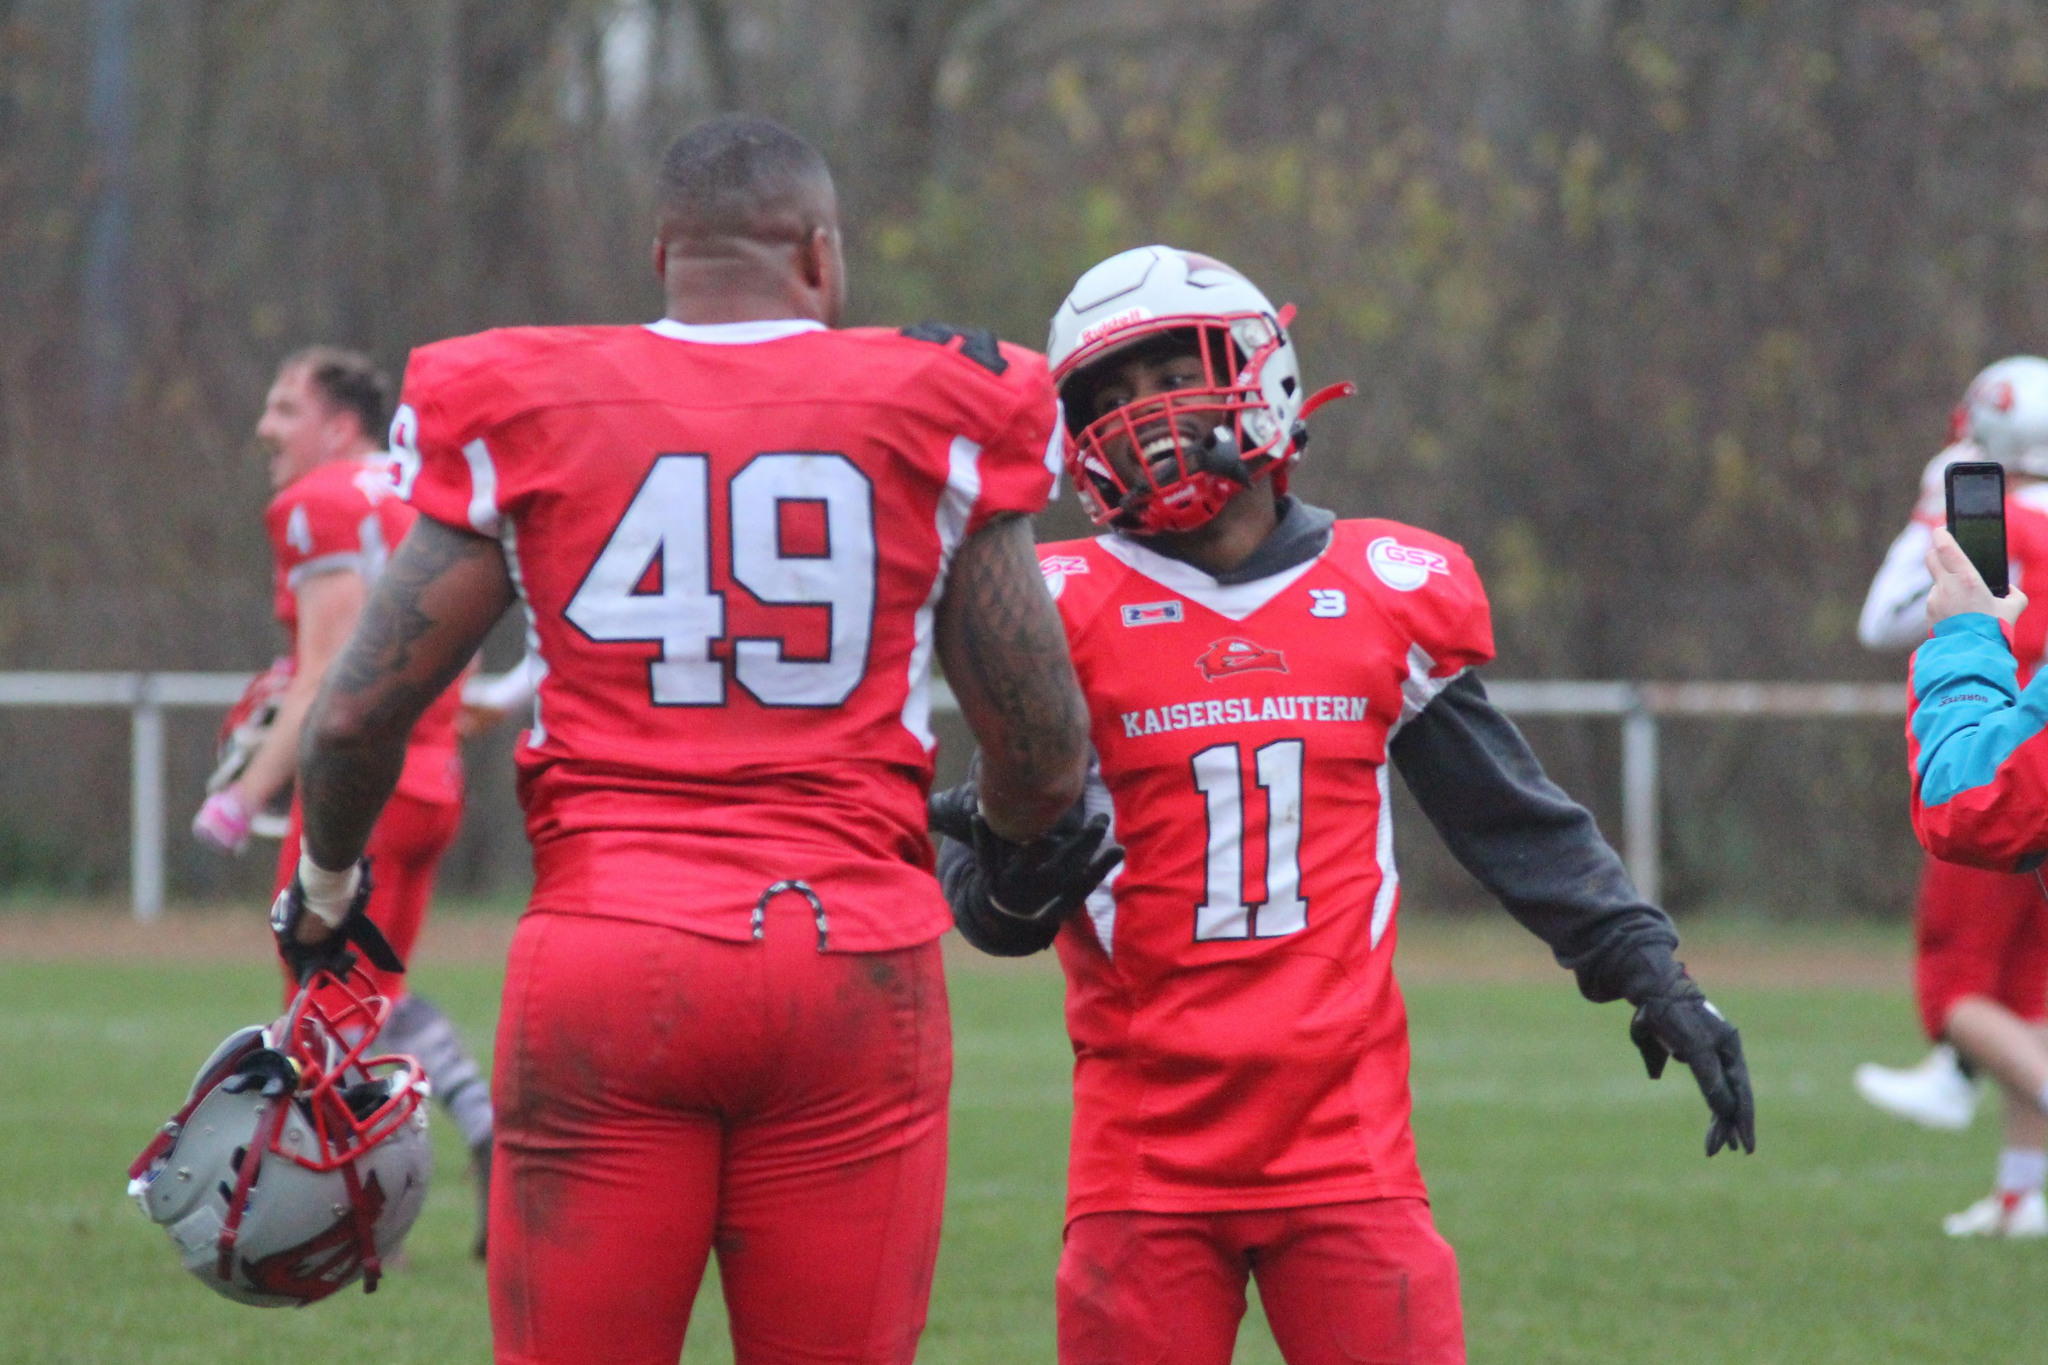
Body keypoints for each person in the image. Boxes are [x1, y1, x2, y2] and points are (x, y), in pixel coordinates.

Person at [272, 115, 1091, 1365]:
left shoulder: (532, 399)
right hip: (848, 960)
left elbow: (352, 713)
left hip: (607, 951)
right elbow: (1040, 747)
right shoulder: (935, 404)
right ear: (818, 255)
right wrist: (1011, 860)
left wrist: (328, 887)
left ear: (662, 255)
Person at [931, 245, 1756, 1365]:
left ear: (1259, 371)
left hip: (1346, 1151)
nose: (1145, 416)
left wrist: (1653, 971)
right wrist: (1012, 876)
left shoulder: (1379, 589)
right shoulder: (1059, 608)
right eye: (1111, 396)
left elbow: (1514, 822)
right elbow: (989, 898)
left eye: (1172, 375)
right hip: (1143, 1160)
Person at [191, 346, 496, 1253]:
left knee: (319, 1013)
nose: (266, 428)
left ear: (340, 424)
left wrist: (246, 792)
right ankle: (477, 1130)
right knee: (370, 1000)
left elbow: (328, 670)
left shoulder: (320, 501)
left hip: (365, 784)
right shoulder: (420, 487)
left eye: (286, 409)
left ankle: (351, 1221)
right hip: (435, 776)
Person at [1853, 356, 2048, 1237]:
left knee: (1958, 987)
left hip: (2016, 749)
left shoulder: (1993, 519)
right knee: (2031, 992)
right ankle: (2020, 1192)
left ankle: (1958, 1087)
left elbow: (1886, 619)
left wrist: (1930, 517)